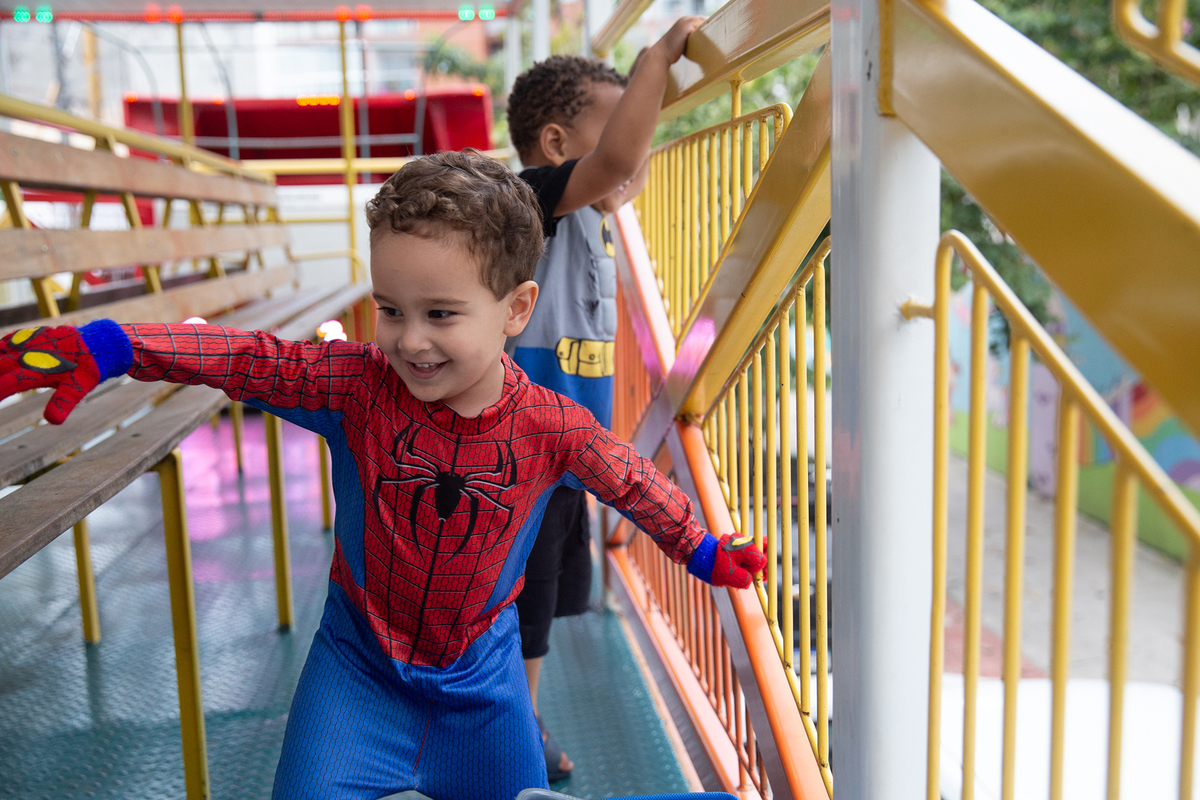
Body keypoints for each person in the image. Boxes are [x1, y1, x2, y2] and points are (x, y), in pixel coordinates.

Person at [0, 150, 767, 800]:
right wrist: (112, 344)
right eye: (390, 309)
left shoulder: (550, 427)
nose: (408, 340)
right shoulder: (356, 387)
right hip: (357, 669)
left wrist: (699, 547)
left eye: (440, 314)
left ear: (516, 308)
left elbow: (629, 479)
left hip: (482, 689)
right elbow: (247, 360)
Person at [505, 18, 704, 781]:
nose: (629, 141)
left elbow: (628, 164)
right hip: (522, 451)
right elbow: (619, 158)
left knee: (539, 604)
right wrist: (655, 57)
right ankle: (513, 733)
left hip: (565, 453)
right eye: (611, 118)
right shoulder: (534, 201)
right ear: (557, 145)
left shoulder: (590, 213)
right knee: (518, 606)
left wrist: (639, 110)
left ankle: (518, 717)